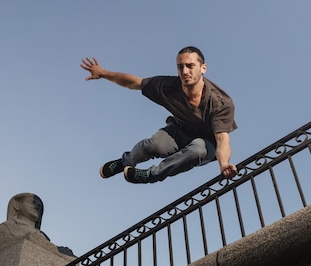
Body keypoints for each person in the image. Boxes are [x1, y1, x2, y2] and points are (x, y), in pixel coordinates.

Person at [80, 46, 238, 184]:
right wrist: (103, 73)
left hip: (207, 143)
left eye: (190, 66)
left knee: (197, 149)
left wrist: (224, 164)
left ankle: (149, 175)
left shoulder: (220, 102)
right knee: (152, 145)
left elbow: (222, 138)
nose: (184, 71)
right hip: (179, 130)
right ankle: (124, 162)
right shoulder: (167, 86)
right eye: (180, 67)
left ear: (203, 68)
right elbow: (134, 83)